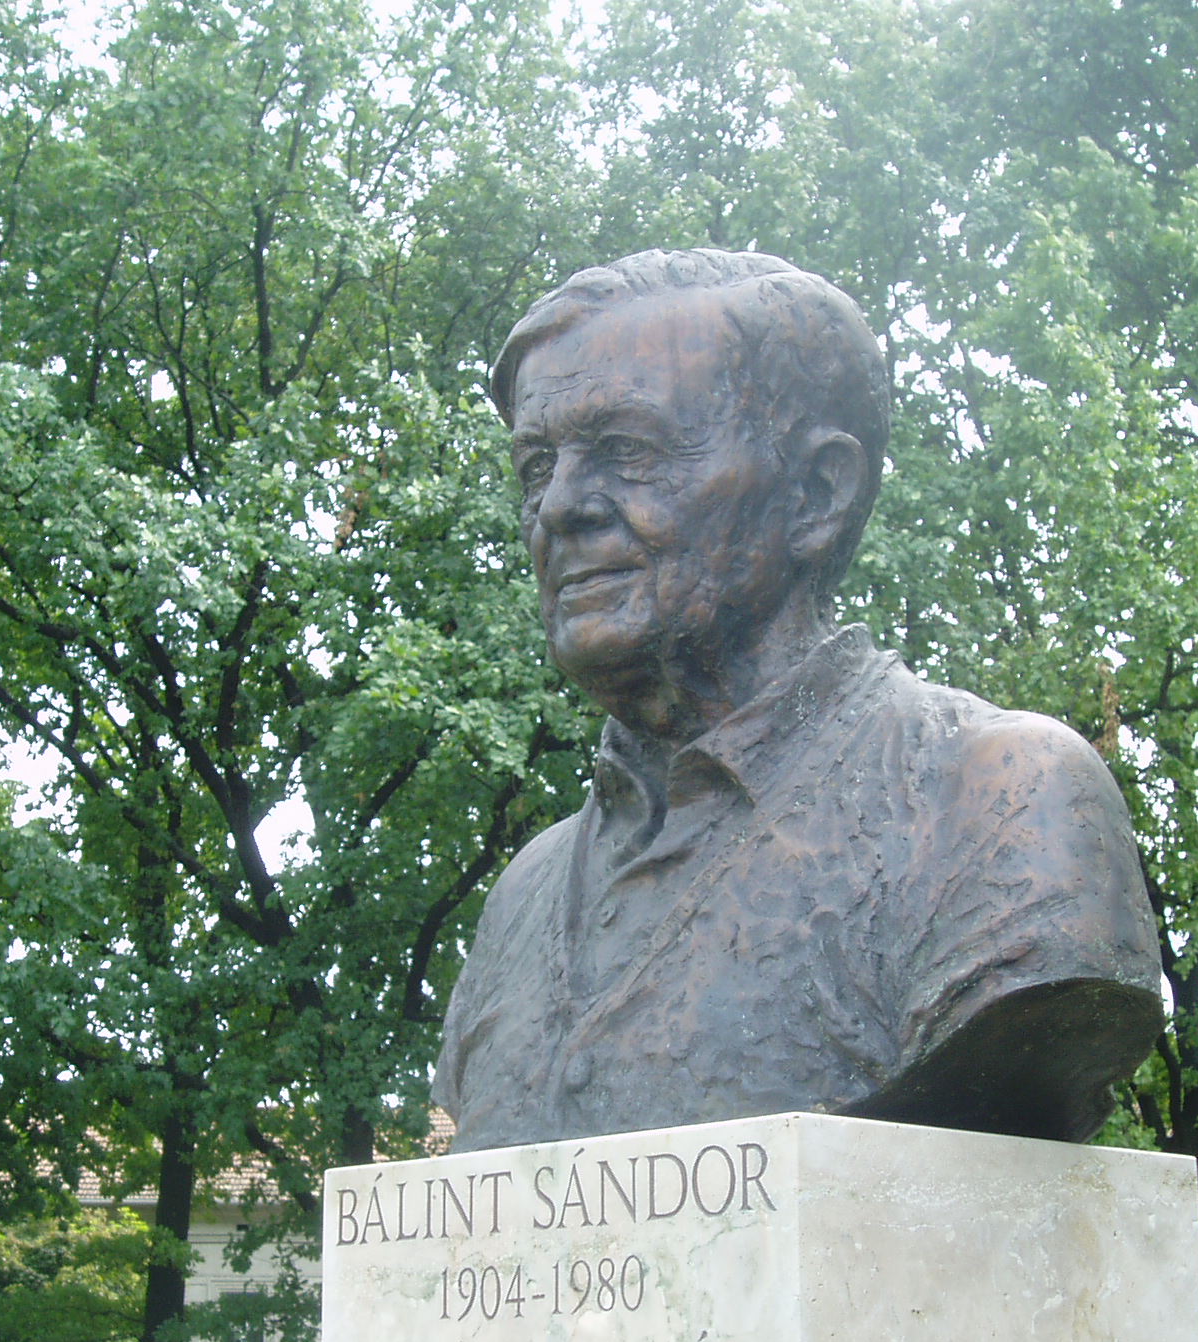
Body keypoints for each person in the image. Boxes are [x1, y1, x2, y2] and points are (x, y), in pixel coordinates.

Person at [434, 249, 1160, 1152]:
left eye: (628, 452)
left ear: (817, 494)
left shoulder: (998, 799)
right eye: (537, 466)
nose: (559, 507)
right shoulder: (525, 896)